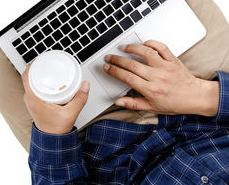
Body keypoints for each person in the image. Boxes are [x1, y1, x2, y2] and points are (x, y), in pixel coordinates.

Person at [23, 40, 229, 184]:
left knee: (2, 32)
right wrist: (202, 94)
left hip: (93, 143)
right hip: (203, 98)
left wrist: (52, 134)